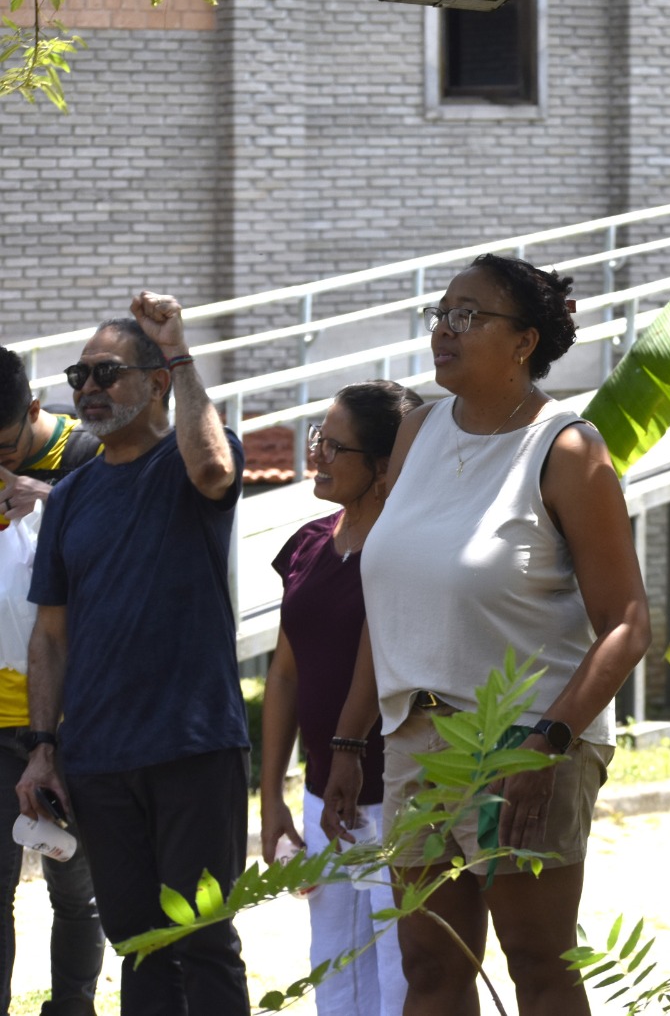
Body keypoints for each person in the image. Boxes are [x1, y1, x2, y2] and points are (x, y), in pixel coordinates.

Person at [321, 254, 650, 1016]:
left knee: (537, 965)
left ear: (525, 340)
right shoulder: (417, 432)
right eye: (439, 314)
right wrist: (349, 739)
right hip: (416, 739)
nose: (444, 329)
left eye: (467, 315)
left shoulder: (566, 449)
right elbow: (395, 599)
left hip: (525, 743)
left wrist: (547, 745)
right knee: (429, 965)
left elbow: (630, 625)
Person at [16, 295, 252, 1015]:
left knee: (203, 938)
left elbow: (214, 470)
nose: (86, 387)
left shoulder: (194, 455)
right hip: (99, 759)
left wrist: (179, 351)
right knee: (138, 942)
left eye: (106, 372)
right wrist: (43, 746)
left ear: (156, 382)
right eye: (77, 374)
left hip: (193, 745)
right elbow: (49, 634)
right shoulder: (74, 494)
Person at [261, 380, 421, 1016]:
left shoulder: (410, 550)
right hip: (322, 795)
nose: (317, 455)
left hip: (400, 793)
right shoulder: (306, 544)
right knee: (334, 969)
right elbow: (284, 675)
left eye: (334, 446)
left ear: (383, 466)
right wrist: (272, 798)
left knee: (400, 970)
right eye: (316, 440)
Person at [0, 347, 104, 1016]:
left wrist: (52, 501)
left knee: (74, 887)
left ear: (34, 412)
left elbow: (130, 555)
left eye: (3, 443)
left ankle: (71, 1006)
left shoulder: (87, 458)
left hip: (71, 721)